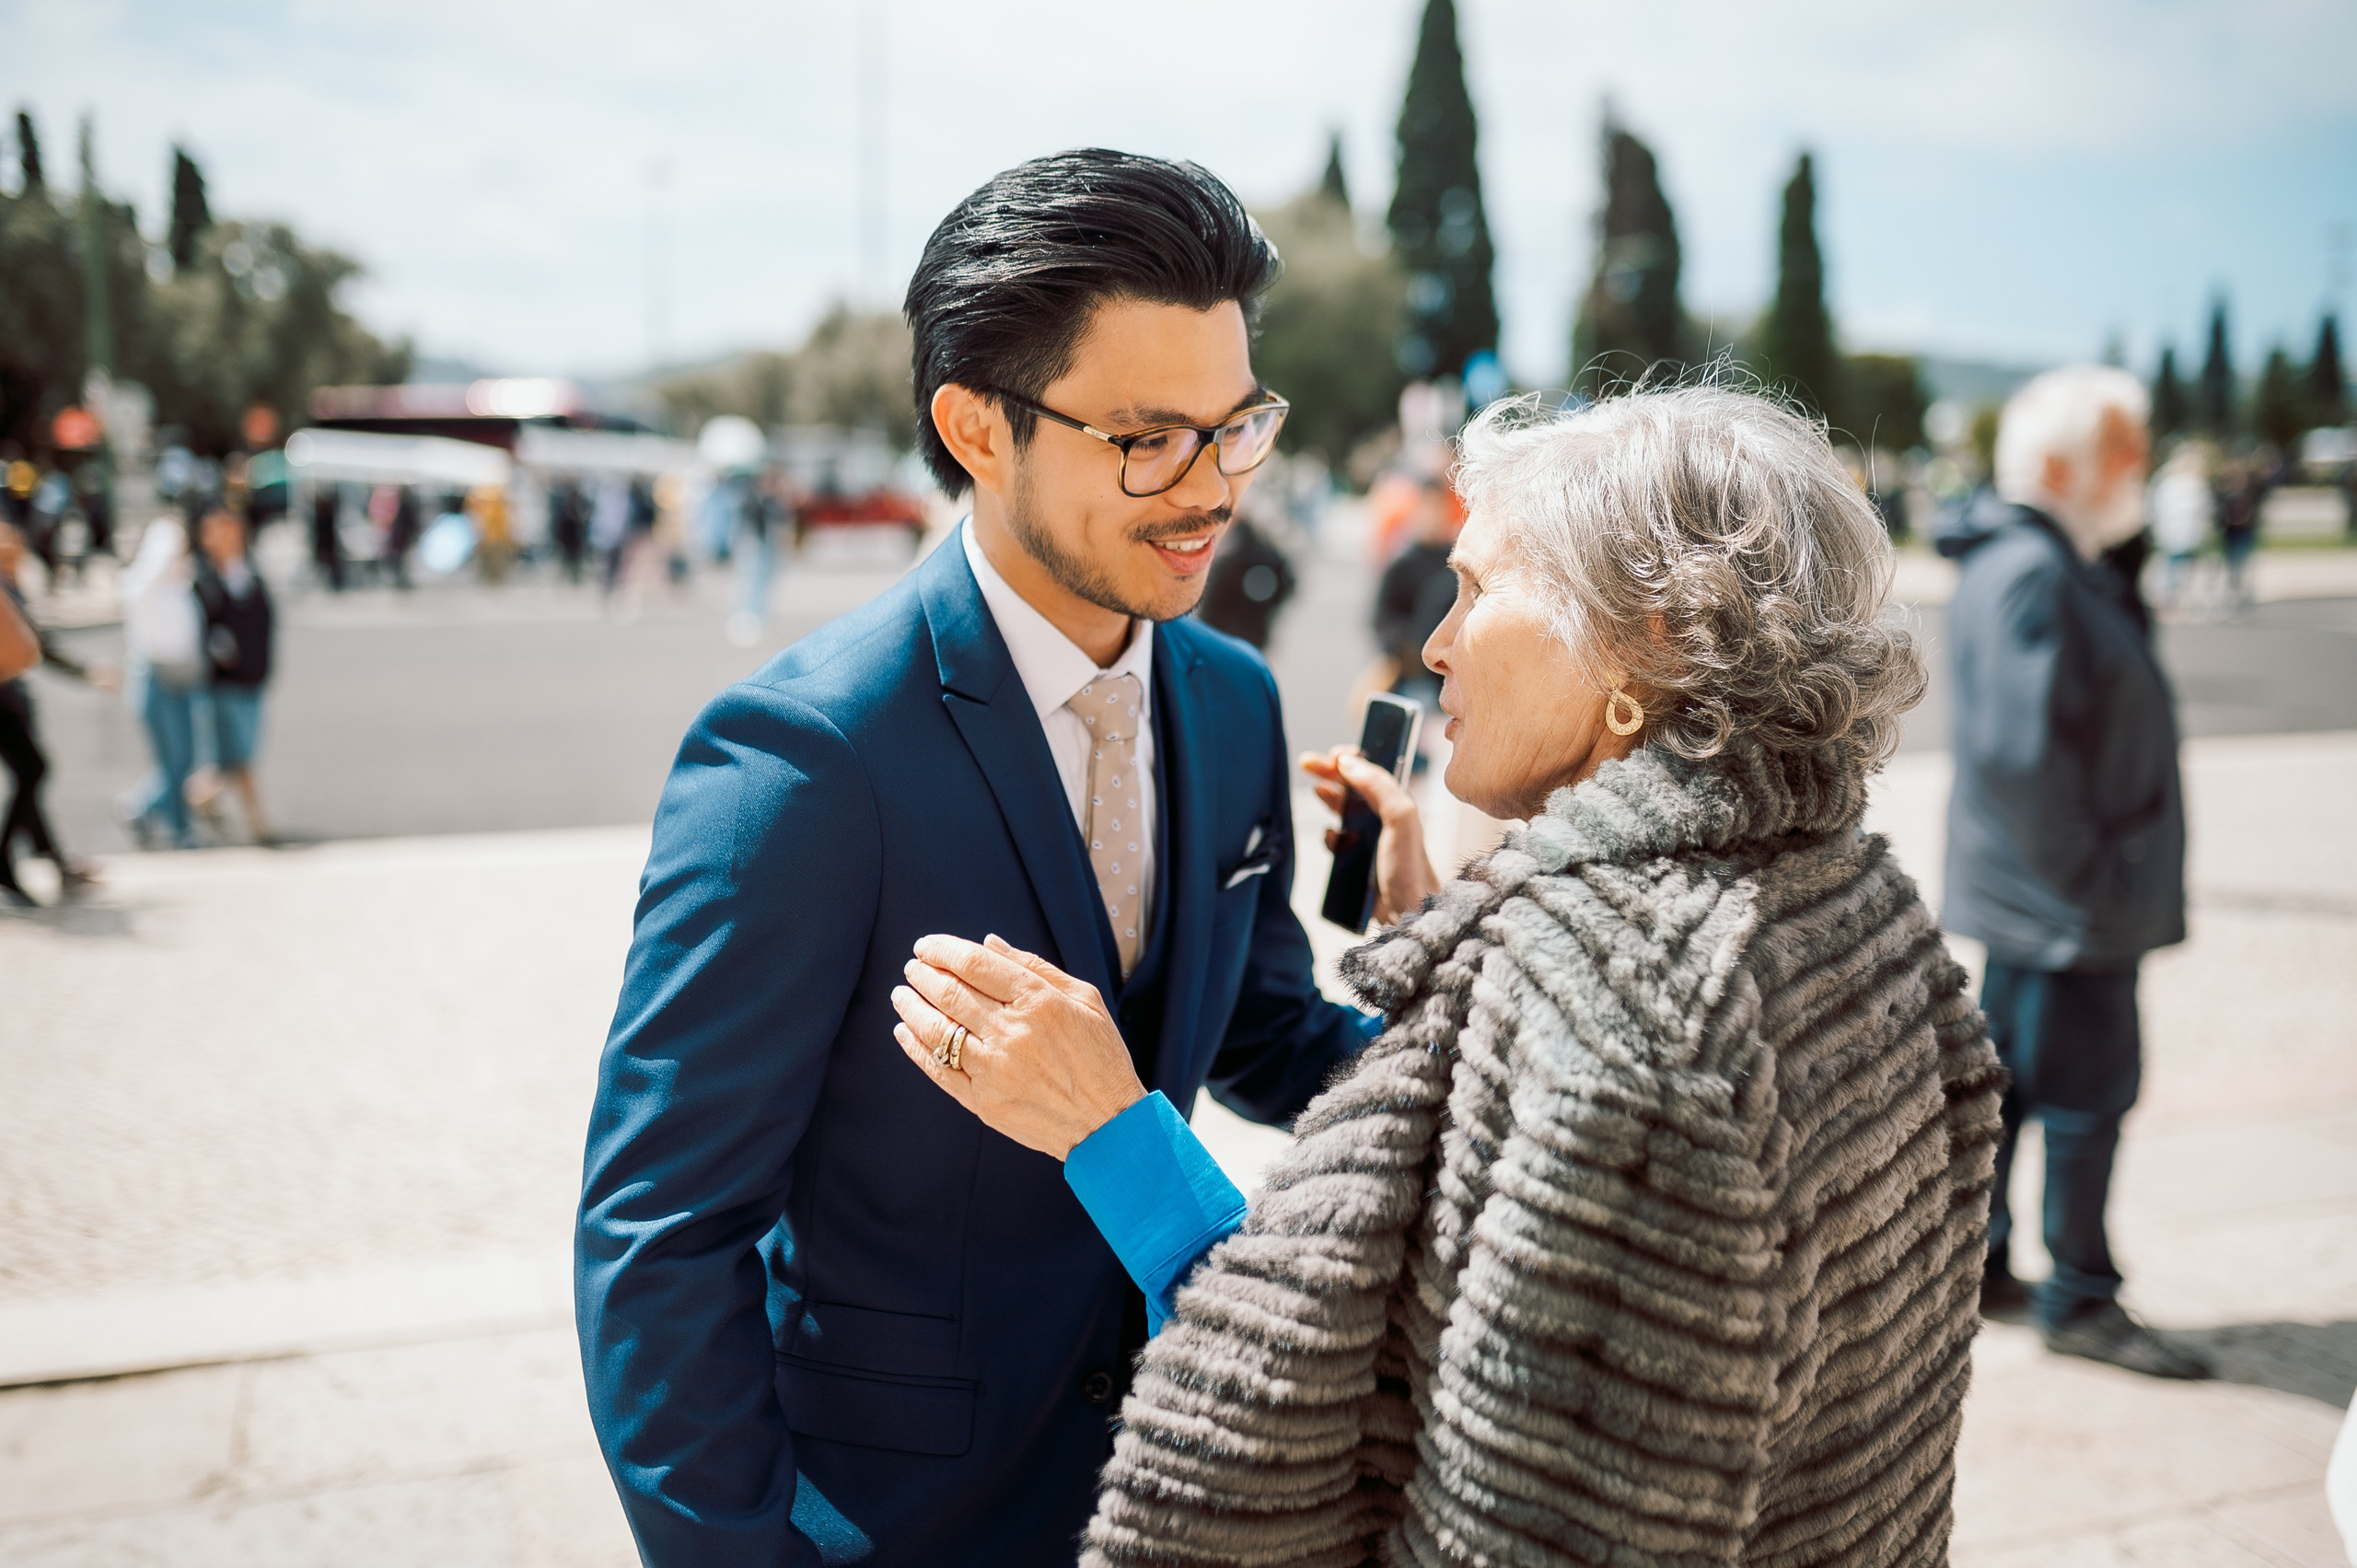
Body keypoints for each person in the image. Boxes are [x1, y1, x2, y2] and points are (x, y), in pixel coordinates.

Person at [892, 385, 2006, 1566]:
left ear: (1653, 637)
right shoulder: (1851, 909)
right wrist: (1465, 961)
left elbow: (1433, 1451)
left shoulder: (1619, 1021)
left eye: (1478, 592)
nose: (1434, 643)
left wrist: (1110, 1129)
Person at [576, 150, 1370, 1568]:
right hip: (893, 1523)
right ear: (977, 427)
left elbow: (1262, 1027)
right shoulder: (802, 757)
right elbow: (661, 1235)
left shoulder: (1234, 699)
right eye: (1147, 439)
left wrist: (1491, 1024)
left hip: (1166, 1495)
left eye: (1235, 425)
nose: (1211, 491)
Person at [1937, 366, 2208, 1380]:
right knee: (2087, 1093)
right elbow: (2021, 757)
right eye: (2123, 451)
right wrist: (2091, 881)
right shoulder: (2032, 571)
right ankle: (2081, 1295)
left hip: (2048, 899)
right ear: (2059, 466)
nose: (2139, 470)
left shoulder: (2043, 563)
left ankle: (1994, 1262)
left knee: (2017, 1087)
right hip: (2061, 906)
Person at [0, 517, 106, 900]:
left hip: (11, 697)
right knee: (32, 771)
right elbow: (30, 648)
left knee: (31, 773)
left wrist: (85, 671)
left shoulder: (12, 585)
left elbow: (34, 646)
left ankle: (50, 858)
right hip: (5, 699)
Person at [118, 517, 205, 850]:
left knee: (183, 758)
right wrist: (168, 542)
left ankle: (140, 808)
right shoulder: (142, 585)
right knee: (173, 759)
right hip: (155, 680)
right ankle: (177, 826)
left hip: (183, 679)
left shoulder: (179, 587)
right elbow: (145, 581)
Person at [190, 505, 275, 844]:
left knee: (231, 759)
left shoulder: (248, 573)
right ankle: (258, 823)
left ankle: (191, 800)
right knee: (241, 756)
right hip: (222, 682)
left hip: (253, 677)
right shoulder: (203, 580)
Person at [2149, 444, 2213, 611]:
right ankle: (2173, 599)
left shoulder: (2189, 483)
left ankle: (2177, 598)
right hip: (2177, 532)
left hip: (2182, 532)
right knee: (2177, 567)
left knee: (2180, 567)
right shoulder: (2174, 483)